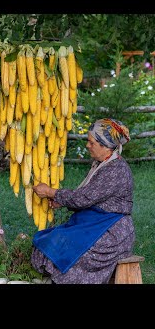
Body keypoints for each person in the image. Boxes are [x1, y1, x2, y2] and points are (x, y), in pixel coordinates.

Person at [31, 118, 134, 284]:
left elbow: (83, 198)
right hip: (95, 223)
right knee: (52, 240)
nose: (88, 145)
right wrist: (61, 200)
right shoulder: (102, 164)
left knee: (74, 251)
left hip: (112, 232)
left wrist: (51, 192)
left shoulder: (116, 170)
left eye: (91, 142)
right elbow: (89, 196)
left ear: (105, 146)